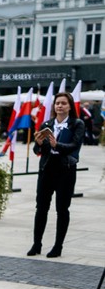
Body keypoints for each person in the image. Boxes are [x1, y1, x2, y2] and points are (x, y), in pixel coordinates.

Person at [28, 92, 85, 258]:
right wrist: (39, 144)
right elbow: (38, 151)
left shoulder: (77, 124)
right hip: (47, 169)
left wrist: (57, 144)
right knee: (41, 208)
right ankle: (36, 243)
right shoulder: (47, 124)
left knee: (62, 208)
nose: (59, 106)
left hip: (65, 170)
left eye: (63, 103)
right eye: (57, 103)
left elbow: (74, 146)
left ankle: (58, 246)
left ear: (70, 106)